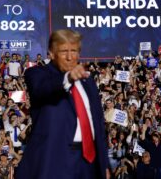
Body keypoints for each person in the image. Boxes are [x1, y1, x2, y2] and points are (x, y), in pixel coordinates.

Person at [17, 29, 109, 179]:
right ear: (52, 53)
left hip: (89, 165)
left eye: (73, 51)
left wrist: (103, 165)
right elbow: (43, 88)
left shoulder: (88, 81)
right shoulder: (37, 74)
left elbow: (98, 124)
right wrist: (68, 78)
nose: (69, 57)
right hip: (56, 162)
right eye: (63, 51)